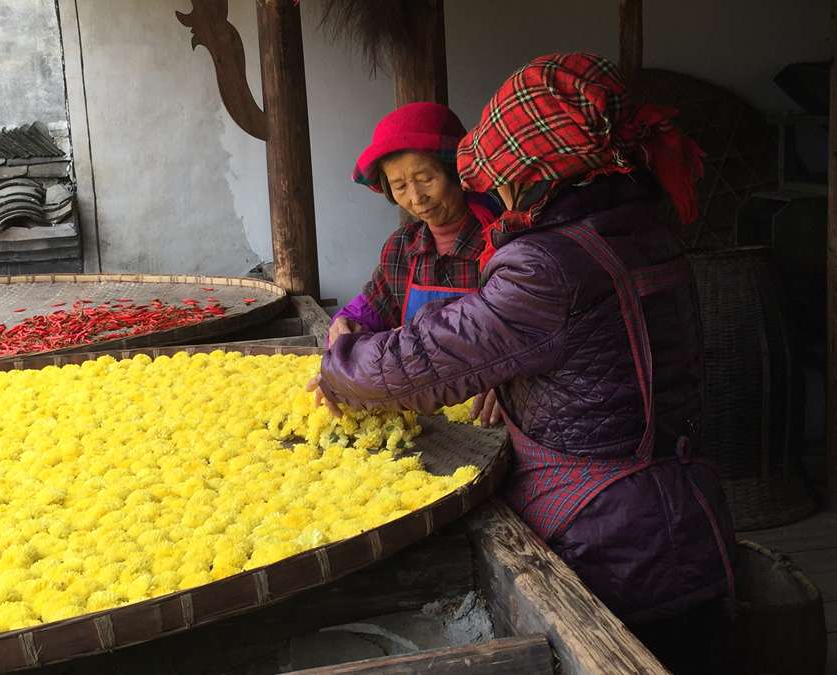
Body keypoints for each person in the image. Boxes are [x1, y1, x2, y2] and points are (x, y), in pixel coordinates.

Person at [314, 53, 735, 669]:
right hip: (677, 510)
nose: (495, 185)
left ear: (536, 168)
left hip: (611, 535)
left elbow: (427, 357)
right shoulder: (633, 224)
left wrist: (338, 368)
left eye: (498, 171)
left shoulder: (548, 261)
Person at [326, 101, 502, 425]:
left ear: (455, 173)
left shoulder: (500, 244)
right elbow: (371, 309)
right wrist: (343, 327)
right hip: (421, 420)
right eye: (400, 186)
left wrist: (513, 378)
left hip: (486, 419)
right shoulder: (402, 248)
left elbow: (533, 332)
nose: (416, 197)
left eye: (425, 178)